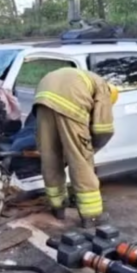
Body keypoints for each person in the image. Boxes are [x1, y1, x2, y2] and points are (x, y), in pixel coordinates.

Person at [33, 67, 118, 227]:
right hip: (70, 101)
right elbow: (104, 128)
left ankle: (57, 206)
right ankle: (91, 216)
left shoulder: (85, 77)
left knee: (50, 155)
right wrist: (91, 147)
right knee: (80, 161)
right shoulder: (104, 89)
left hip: (43, 97)